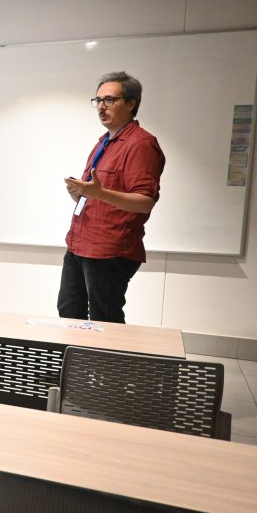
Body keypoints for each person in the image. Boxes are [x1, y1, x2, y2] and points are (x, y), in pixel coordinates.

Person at [59, 71, 165, 324]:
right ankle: (78, 353)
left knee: (104, 320)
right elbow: (100, 196)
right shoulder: (104, 142)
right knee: (69, 310)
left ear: (131, 103)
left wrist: (99, 193)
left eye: (109, 100)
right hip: (80, 243)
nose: (101, 107)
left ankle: (110, 354)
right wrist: (81, 195)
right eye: (98, 100)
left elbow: (145, 201)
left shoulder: (140, 144)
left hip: (109, 249)